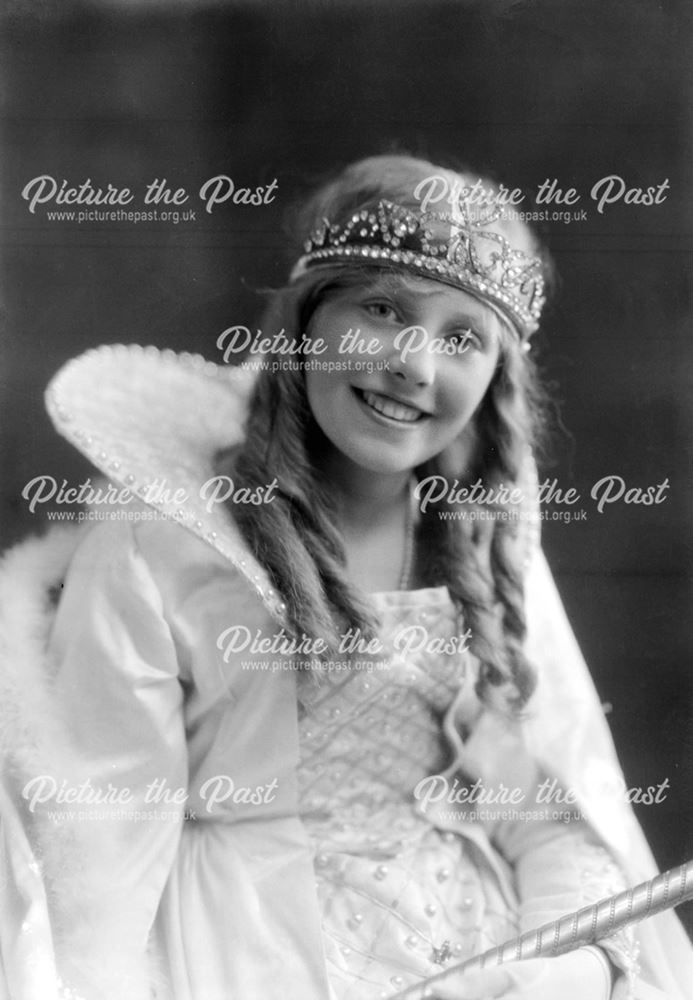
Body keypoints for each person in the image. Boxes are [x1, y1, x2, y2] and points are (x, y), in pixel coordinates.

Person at [0, 154, 691, 1000]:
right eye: (381, 308)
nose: (414, 364)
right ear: (304, 323)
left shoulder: (476, 537)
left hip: (488, 950)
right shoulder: (163, 544)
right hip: (247, 955)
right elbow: (98, 861)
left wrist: (570, 965)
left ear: (495, 380)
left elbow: (549, 806)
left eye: (461, 338)